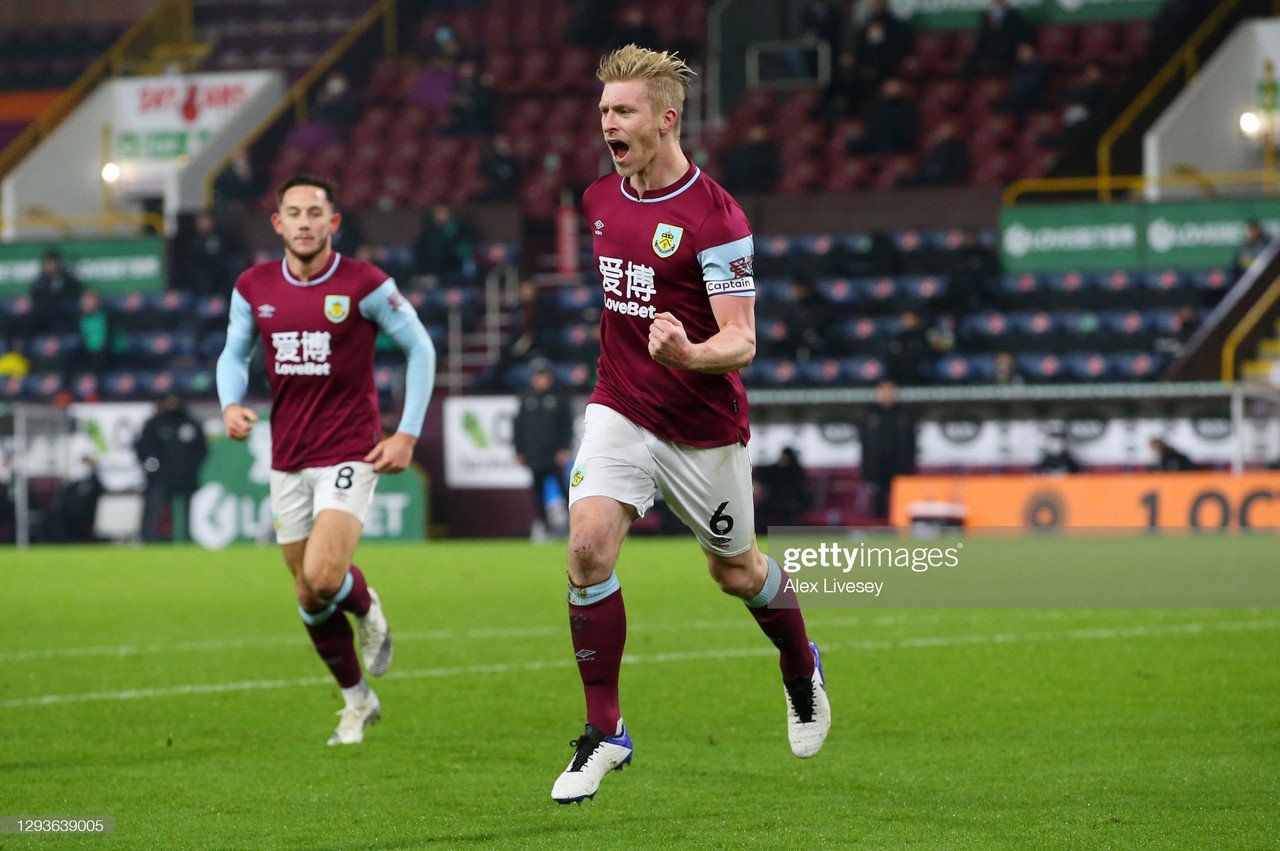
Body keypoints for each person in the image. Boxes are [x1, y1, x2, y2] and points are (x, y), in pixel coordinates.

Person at [549, 44, 830, 805]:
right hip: (619, 404)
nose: (608, 123)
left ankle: (801, 667)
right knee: (585, 548)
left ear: (666, 119)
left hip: (701, 424)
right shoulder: (598, 200)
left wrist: (690, 351)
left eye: (624, 110)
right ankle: (605, 731)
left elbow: (743, 338)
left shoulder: (715, 217)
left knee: (734, 571)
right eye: (604, 110)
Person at [216, 174, 437, 746]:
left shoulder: (364, 284)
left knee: (323, 575)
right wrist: (230, 403)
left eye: (316, 212)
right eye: (295, 212)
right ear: (278, 224)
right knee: (308, 594)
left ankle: (369, 609)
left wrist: (406, 434)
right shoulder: (253, 285)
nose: (306, 222)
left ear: (333, 222)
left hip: (348, 450)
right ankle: (357, 700)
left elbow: (420, 348)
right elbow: (232, 353)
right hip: (287, 456)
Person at [513, 358, 575, 539]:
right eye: (537, 376)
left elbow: (567, 425)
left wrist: (564, 448)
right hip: (534, 454)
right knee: (537, 492)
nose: (541, 380)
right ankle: (544, 526)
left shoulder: (559, 397)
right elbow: (519, 426)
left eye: (544, 376)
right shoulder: (526, 397)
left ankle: (573, 524)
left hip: (554, 454)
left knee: (564, 489)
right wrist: (519, 450)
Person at [135, 395, 209, 543]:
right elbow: (143, 448)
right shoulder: (155, 424)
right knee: (154, 508)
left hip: (185, 476)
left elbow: (202, 449)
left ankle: (188, 538)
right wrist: (151, 465)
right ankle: (149, 539)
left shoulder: (191, 424)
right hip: (160, 477)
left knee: (189, 511)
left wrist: (191, 466)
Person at [858, 380, 917, 520]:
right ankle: (878, 529)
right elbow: (865, 444)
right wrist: (867, 469)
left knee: (899, 500)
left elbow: (911, 443)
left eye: (889, 391)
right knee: (878, 501)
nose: (886, 394)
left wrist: (910, 467)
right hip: (877, 467)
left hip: (900, 466)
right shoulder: (870, 414)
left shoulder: (904, 414)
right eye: (883, 391)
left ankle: (898, 528)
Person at [29, 248, 83, 337]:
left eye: (52, 262)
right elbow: (36, 303)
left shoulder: (69, 281)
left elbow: (73, 302)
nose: (50, 266)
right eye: (47, 263)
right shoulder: (39, 283)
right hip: (43, 324)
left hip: (65, 322)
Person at [755, 446, 810, 529]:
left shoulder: (797, 471)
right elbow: (763, 473)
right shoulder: (775, 469)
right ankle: (761, 532)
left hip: (792, 500)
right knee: (759, 510)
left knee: (788, 511)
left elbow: (799, 490)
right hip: (775, 500)